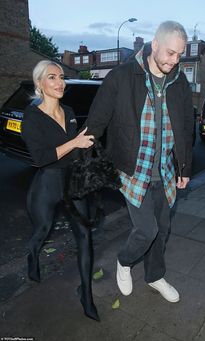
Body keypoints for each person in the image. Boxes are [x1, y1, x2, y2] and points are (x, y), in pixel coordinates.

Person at [85, 21, 194, 303]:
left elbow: (185, 127)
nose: (175, 60)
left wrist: (184, 167)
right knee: (147, 230)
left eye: (180, 54)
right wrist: (75, 154)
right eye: (170, 53)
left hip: (165, 172)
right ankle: (124, 261)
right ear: (154, 45)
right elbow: (96, 121)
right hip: (133, 170)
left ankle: (155, 275)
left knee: (163, 230)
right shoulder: (122, 76)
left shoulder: (179, 81)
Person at [21, 60, 100, 321]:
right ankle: (33, 256)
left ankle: (86, 294)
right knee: (41, 232)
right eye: (52, 77)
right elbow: (42, 157)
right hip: (47, 184)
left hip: (73, 184)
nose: (60, 82)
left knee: (85, 237)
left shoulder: (68, 110)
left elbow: (76, 151)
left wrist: (87, 147)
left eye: (62, 77)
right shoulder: (31, 116)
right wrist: (74, 141)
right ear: (40, 84)